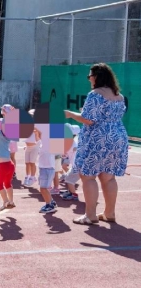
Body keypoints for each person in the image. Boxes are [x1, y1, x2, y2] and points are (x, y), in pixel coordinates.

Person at [65, 63, 128, 225]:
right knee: (108, 177)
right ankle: (109, 213)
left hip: (98, 138)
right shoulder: (118, 95)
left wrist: (71, 114)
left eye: (90, 76)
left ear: (97, 77)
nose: (89, 79)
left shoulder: (95, 94)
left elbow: (89, 120)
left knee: (88, 177)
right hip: (118, 136)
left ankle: (90, 215)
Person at [0, 104, 18, 178]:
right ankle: (8, 172)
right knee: (5, 157)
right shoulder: (0, 120)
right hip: (5, 141)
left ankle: (12, 172)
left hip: (10, 141)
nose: (2, 111)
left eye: (4, 110)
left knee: (10, 157)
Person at [59, 124, 81, 201]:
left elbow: (63, 154)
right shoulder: (74, 140)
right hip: (77, 165)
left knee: (69, 180)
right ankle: (70, 192)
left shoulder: (70, 143)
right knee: (68, 177)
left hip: (77, 166)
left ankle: (74, 195)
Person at [23, 109, 41, 187]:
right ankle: (27, 177)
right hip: (28, 147)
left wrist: (36, 132)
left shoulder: (37, 125)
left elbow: (39, 138)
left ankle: (33, 177)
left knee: (32, 163)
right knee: (27, 163)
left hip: (35, 147)